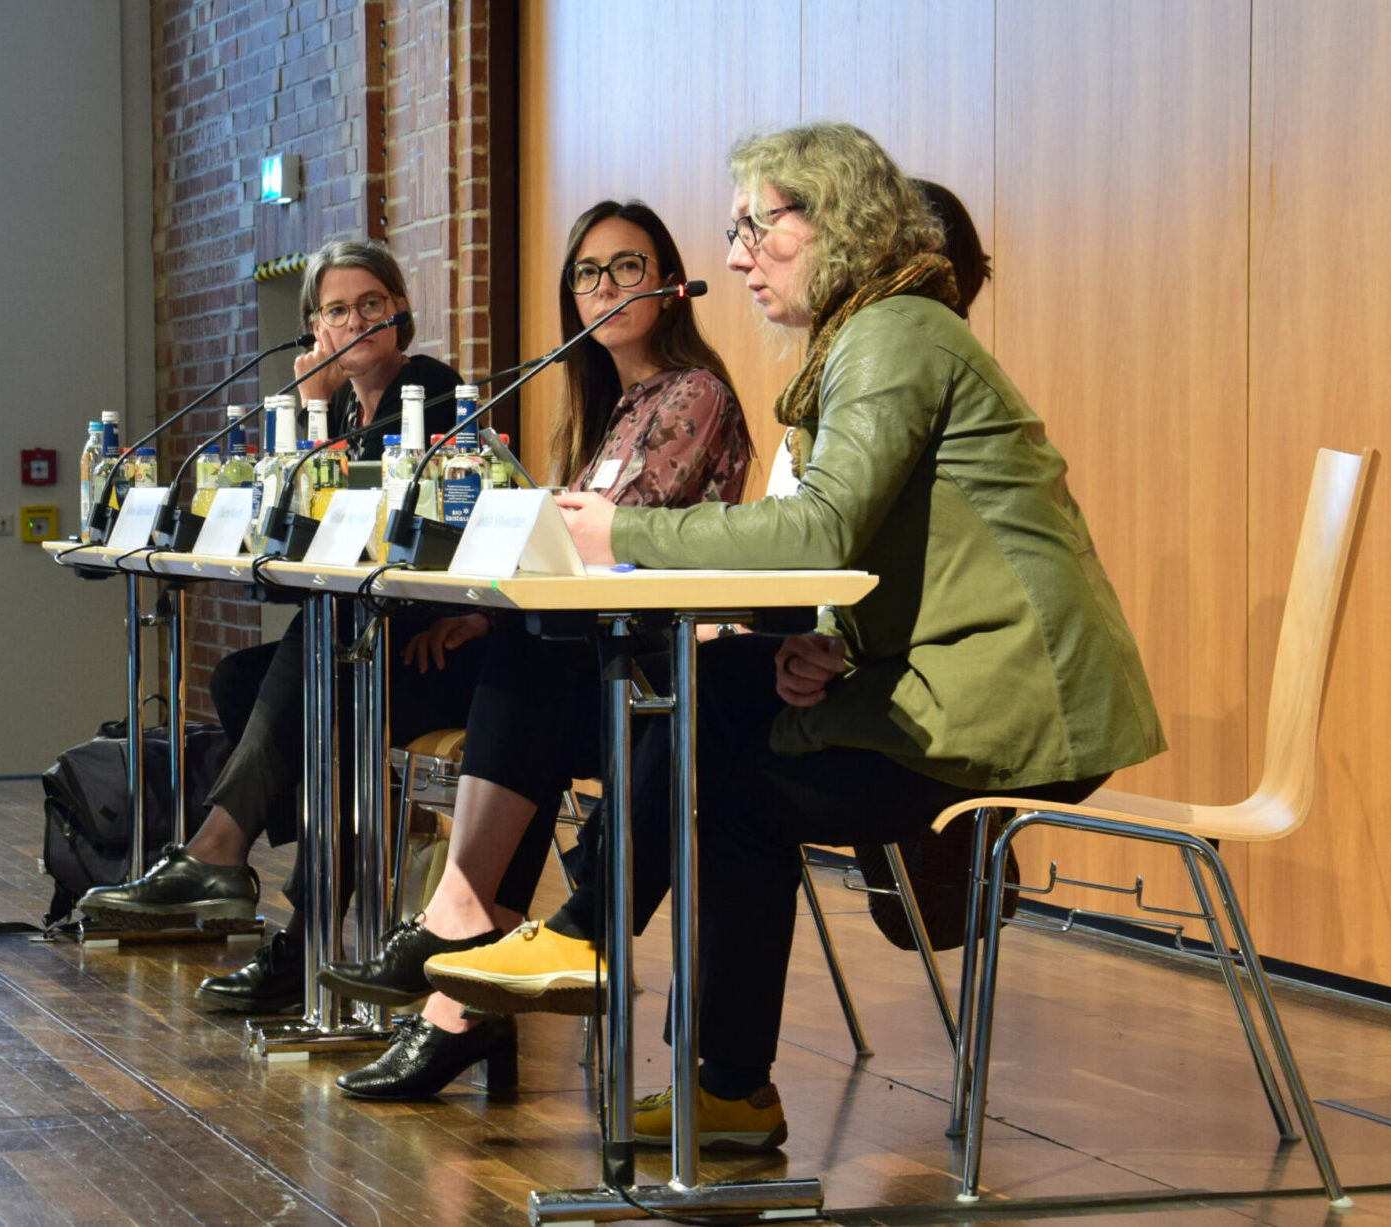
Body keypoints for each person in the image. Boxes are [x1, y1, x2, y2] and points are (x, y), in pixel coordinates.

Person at [422, 123, 1165, 1151]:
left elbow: (821, 527)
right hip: (945, 678)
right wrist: (824, 642)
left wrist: (618, 532)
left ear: (840, 219)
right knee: (727, 708)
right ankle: (719, 1083)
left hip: (1020, 705)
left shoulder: (898, 332)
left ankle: (599, 943)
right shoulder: (868, 337)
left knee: (720, 731)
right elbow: (890, 549)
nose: (733, 257)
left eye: (754, 227)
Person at [315, 199, 751, 1100]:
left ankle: (454, 934)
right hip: (605, 673)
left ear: (669, 286)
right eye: (588, 274)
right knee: (520, 652)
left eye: (627, 268)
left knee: (535, 664)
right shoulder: (610, 408)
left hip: (672, 690)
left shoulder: (695, 394)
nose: (605, 289)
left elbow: (627, 535)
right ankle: (456, 985)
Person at [76, 239, 471, 1010]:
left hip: (436, 648)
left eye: (369, 305)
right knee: (249, 681)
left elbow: (364, 520)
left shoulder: (431, 387)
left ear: (399, 312)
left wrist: (315, 404)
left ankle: (232, 861)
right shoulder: (342, 405)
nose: (354, 320)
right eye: (335, 309)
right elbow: (296, 528)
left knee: (325, 672)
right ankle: (291, 927)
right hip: (373, 643)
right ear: (314, 326)